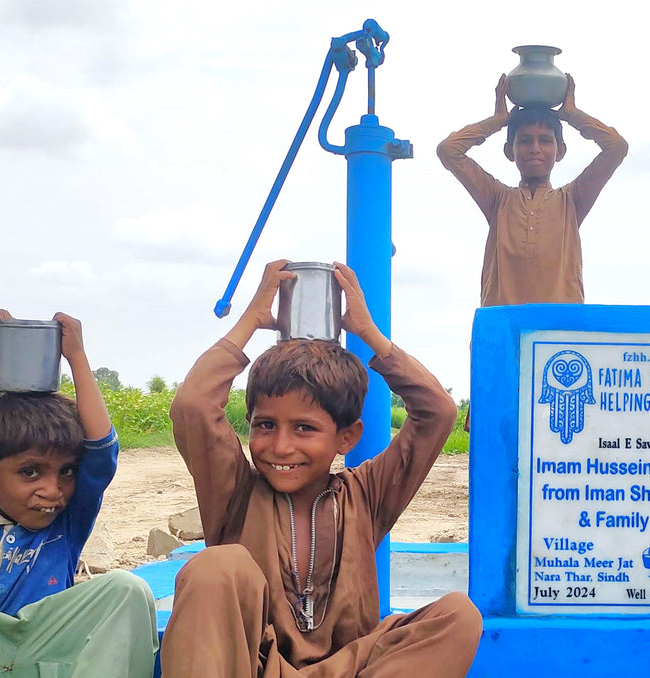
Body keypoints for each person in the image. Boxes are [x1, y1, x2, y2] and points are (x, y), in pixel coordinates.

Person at [160, 260, 482, 677]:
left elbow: (437, 412)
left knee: (458, 615)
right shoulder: (235, 491)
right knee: (215, 567)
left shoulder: (366, 495)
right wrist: (250, 321)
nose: (280, 445)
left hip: (348, 668)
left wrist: (369, 333)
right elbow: (193, 407)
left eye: (304, 428)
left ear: (345, 438)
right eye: (265, 425)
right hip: (257, 665)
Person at [0, 310, 158, 676]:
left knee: (127, 590)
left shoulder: (67, 521)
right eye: (30, 471)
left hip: (47, 652)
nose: (53, 491)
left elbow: (100, 451)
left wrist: (77, 358)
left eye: (66, 471)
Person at [437, 73, 628, 308]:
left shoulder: (571, 200)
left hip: (558, 333)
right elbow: (449, 151)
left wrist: (573, 115)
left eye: (545, 141)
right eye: (525, 141)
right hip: (503, 327)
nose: (534, 149)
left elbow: (616, 147)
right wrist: (497, 120)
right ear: (510, 151)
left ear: (560, 151)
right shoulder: (498, 199)